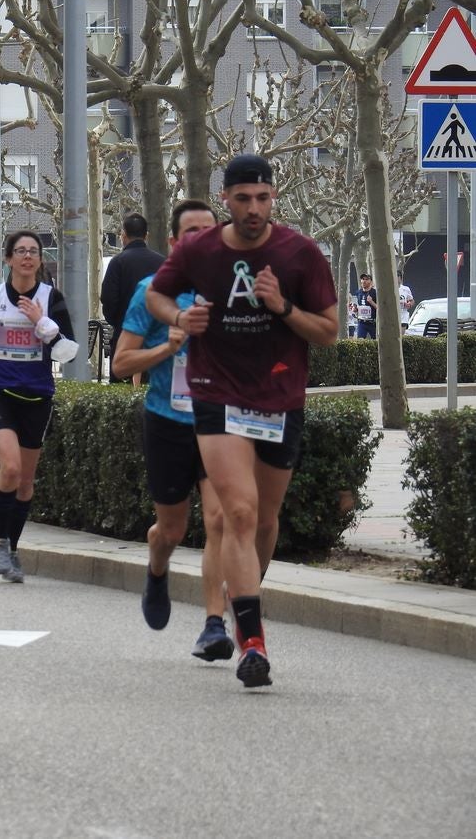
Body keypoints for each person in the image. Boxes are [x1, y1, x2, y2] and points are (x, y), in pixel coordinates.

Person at [147, 154, 338, 688]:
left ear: (273, 198)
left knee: (265, 520)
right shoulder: (198, 249)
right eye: (243, 199)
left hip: (279, 397)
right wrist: (180, 317)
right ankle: (251, 643)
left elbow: (327, 332)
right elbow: (157, 294)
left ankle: (243, 591)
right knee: (237, 510)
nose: (254, 209)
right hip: (217, 394)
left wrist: (281, 307)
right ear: (226, 200)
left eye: (263, 198)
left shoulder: (300, 254)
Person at [112, 199, 232, 661]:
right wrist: (169, 347)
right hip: (168, 420)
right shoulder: (151, 291)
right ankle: (157, 569)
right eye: (191, 233)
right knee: (172, 529)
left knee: (220, 520)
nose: (201, 239)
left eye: (209, 230)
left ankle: (212, 625)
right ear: (176, 243)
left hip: (219, 420)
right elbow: (121, 364)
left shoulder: (231, 292)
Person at [0, 230, 79, 583]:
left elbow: (68, 351)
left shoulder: (50, 298)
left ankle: (12, 549)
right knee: (9, 468)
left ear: (40, 260)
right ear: (8, 258)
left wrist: (42, 323)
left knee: (25, 483)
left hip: (38, 396)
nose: (27, 257)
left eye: (34, 252)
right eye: (20, 251)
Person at [100, 213, 166, 382]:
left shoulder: (118, 262)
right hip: (156, 340)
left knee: (120, 396)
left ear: (123, 236)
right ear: (146, 235)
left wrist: (118, 321)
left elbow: (108, 299)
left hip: (124, 336)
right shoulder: (162, 262)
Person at [354, 272, 378, 339]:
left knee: (376, 343)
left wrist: (371, 302)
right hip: (362, 322)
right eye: (362, 279)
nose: (364, 281)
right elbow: (357, 307)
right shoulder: (358, 292)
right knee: (360, 342)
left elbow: (380, 309)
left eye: (366, 279)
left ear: (371, 281)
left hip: (373, 323)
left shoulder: (375, 293)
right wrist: (355, 309)